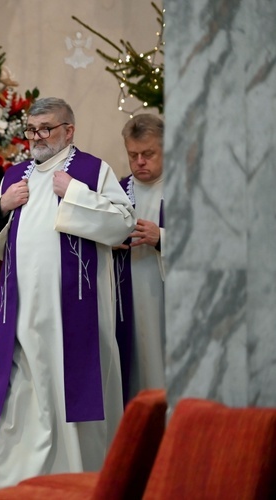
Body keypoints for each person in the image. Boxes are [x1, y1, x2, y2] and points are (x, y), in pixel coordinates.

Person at [0, 97, 136, 490]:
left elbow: (123, 223)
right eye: (31, 129)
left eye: (46, 128)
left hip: (74, 318)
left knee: (68, 395)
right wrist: (5, 206)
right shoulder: (15, 177)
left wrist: (75, 192)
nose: (37, 137)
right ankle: (19, 481)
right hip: (24, 314)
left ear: (68, 131)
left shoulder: (92, 170)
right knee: (23, 397)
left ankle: (80, 479)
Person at [114, 114, 165, 403]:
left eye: (148, 154)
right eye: (133, 155)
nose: (140, 162)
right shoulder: (119, 192)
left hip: (168, 297)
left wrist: (162, 238)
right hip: (129, 298)